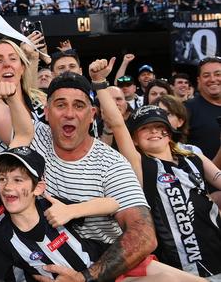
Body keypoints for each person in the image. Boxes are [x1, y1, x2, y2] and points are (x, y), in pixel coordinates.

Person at [0, 146, 203, 282]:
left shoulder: (51, 206)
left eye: (18, 180)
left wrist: (72, 210)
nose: (8, 187)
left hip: (105, 264)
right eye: (2, 179)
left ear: (38, 188)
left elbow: (112, 203)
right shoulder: (3, 238)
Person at [24, 66, 157, 281]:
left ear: (92, 115)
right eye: (60, 105)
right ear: (46, 112)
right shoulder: (32, 135)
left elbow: (143, 234)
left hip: (100, 271)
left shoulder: (111, 164)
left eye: (79, 106)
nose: (69, 113)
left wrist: (84, 278)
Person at [101, 90, 221, 278]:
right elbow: (117, 124)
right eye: (145, 128)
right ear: (134, 139)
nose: (154, 131)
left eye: (159, 126)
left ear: (170, 133)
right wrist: (100, 83)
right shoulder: (140, 164)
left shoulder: (193, 156)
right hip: (182, 269)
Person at [185, 57, 221, 159]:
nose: (213, 79)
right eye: (206, 75)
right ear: (199, 80)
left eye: (218, 74)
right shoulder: (186, 109)